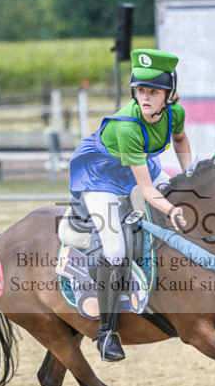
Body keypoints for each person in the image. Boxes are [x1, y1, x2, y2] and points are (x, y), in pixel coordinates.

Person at [68, 48, 192, 362]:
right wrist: (172, 210)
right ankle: (107, 333)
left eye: (153, 91)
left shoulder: (175, 113)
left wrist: (189, 176)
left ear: (169, 94)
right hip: (100, 177)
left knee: (184, 196)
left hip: (137, 167)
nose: (145, 97)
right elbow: (147, 191)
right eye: (140, 90)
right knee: (115, 250)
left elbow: (179, 140)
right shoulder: (127, 126)